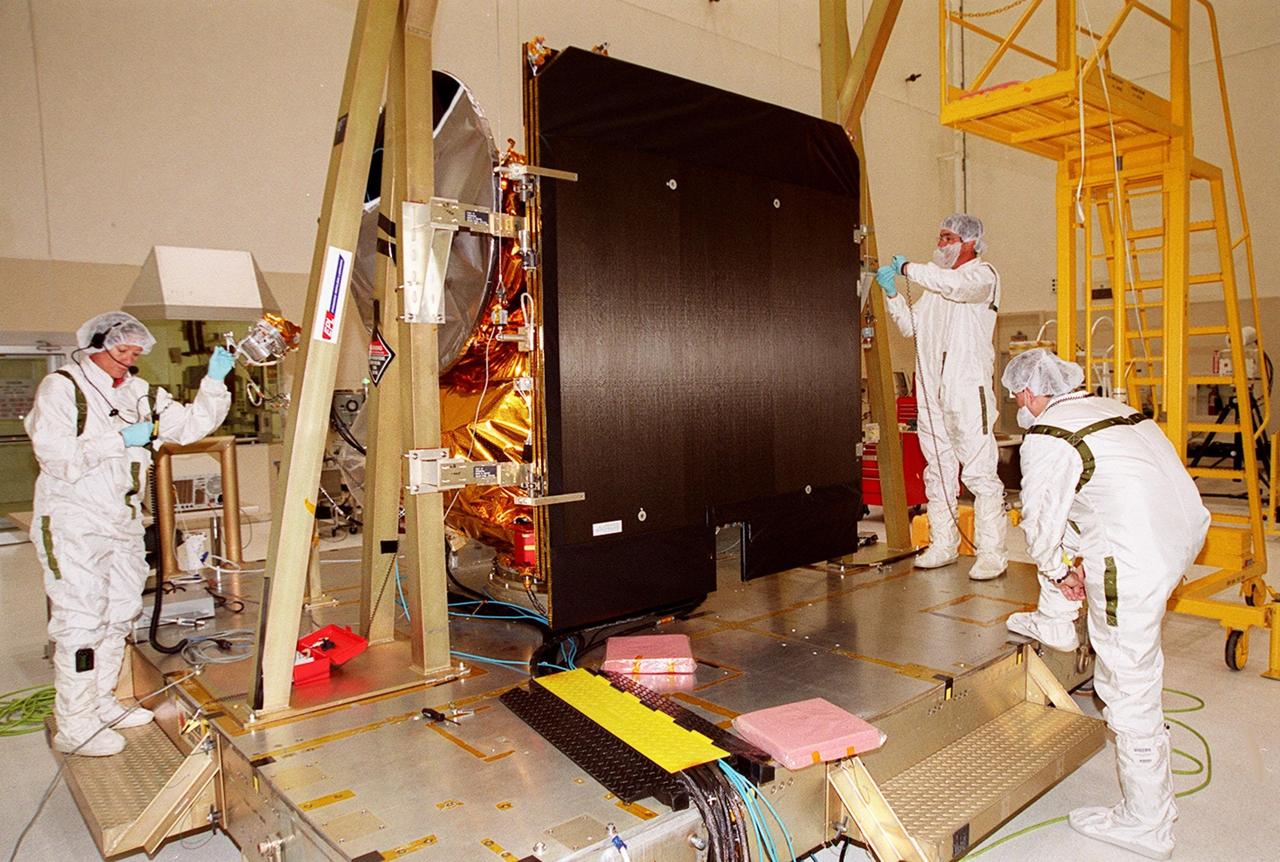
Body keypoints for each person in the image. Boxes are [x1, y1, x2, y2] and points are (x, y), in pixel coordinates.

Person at [1001, 348, 1209, 860]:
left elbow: (1040, 520)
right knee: (1072, 532)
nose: (1016, 405)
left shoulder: (1048, 434)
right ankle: (1055, 621)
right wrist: (1074, 566)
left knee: (1127, 682)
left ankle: (1146, 822)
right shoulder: (1110, 409)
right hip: (1179, 535)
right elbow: (1096, 496)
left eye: (1015, 396)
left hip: (1134, 555)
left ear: (1030, 393)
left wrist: (1058, 570)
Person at [25, 312, 234, 756]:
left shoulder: (142, 394)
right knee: (81, 620)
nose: (129, 361)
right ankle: (75, 724)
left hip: (121, 520)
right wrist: (120, 439)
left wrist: (215, 381)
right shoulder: (63, 388)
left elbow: (193, 424)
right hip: (73, 518)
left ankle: (101, 702)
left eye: (136, 353)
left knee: (120, 613)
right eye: (122, 352)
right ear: (94, 346)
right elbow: (56, 456)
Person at [875, 213, 1007, 580]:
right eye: (940, 238)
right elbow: (909, 326)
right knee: (938, 469)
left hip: (967, 388)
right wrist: (892, 296)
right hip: (930, 389)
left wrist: (910, 269)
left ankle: (992, 553)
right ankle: (943, 544)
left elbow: (958, 288)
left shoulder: (983, 277)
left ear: (970, 243)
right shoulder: (934, 288)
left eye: (948, 238)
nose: (941, 244)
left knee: (979, 472)